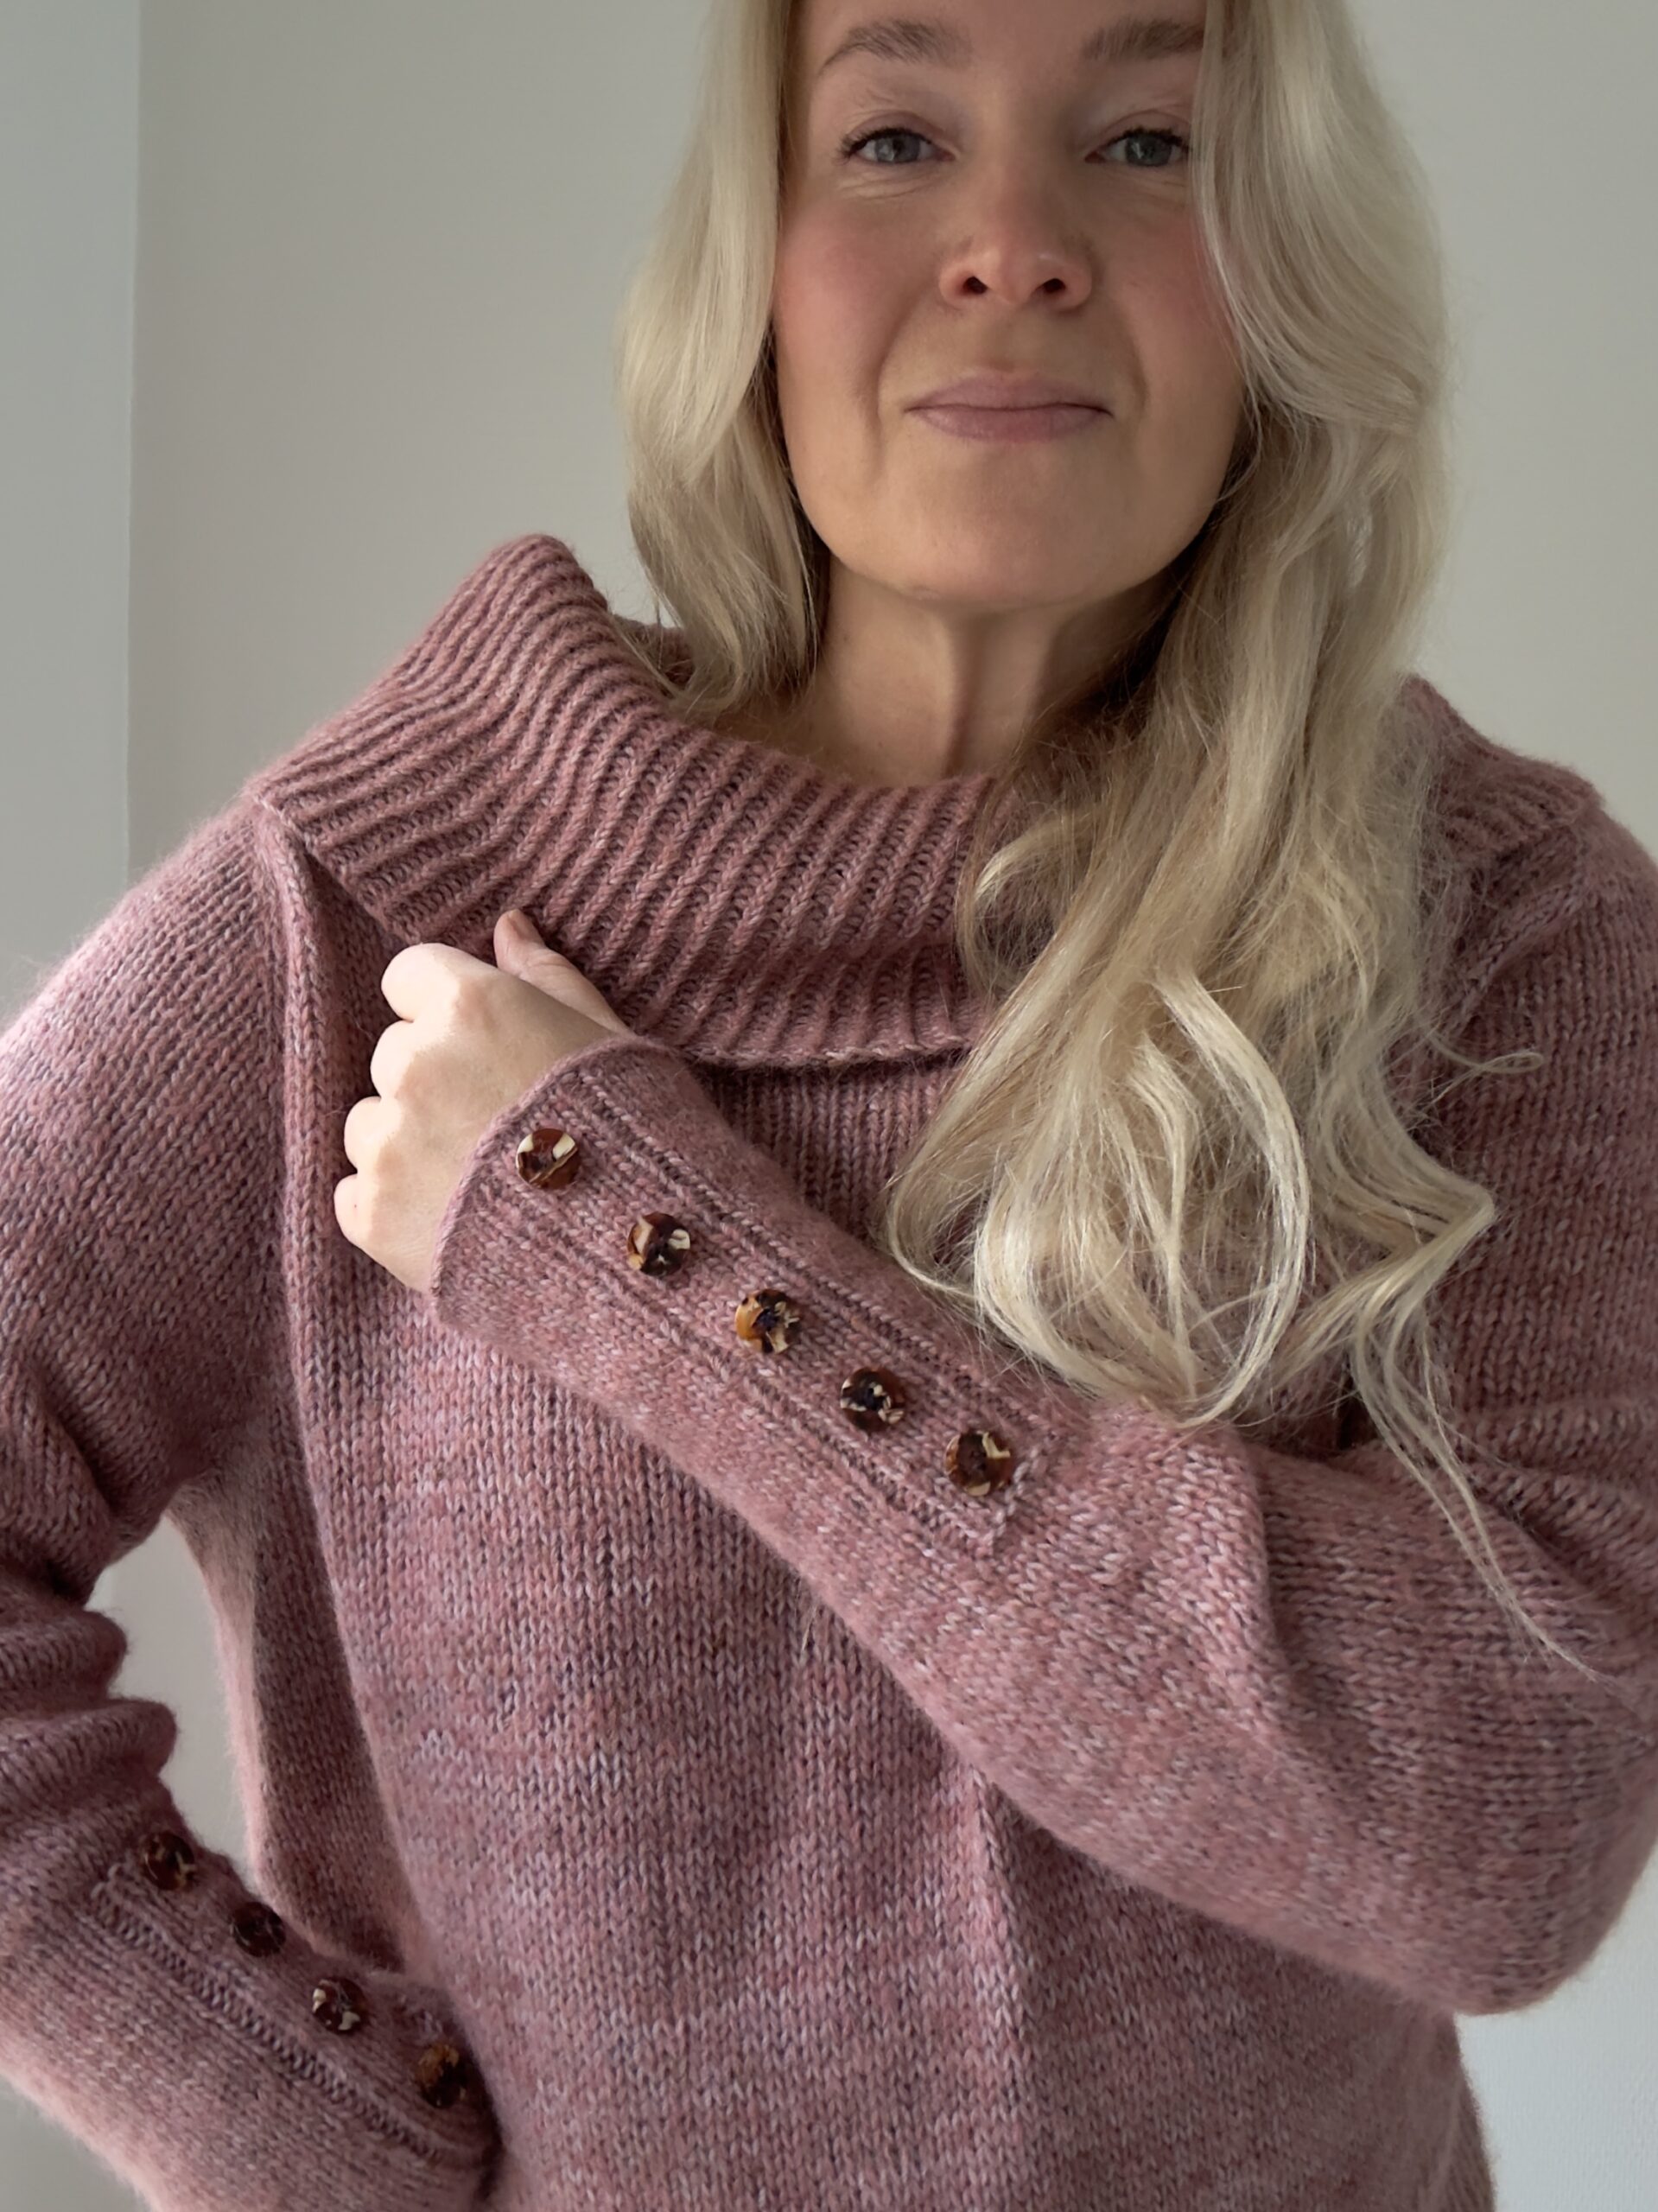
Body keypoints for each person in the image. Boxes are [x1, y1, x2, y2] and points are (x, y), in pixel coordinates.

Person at [3, 1, 1656, 2207]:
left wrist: (633, 1236)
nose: (1014, 241)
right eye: (893, 137)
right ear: (751, 264)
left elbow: (1515, 1821)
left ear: (1287, 267)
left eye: (1147, 143)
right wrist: (310, 2136)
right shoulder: (366, 915)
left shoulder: (1497, 926)